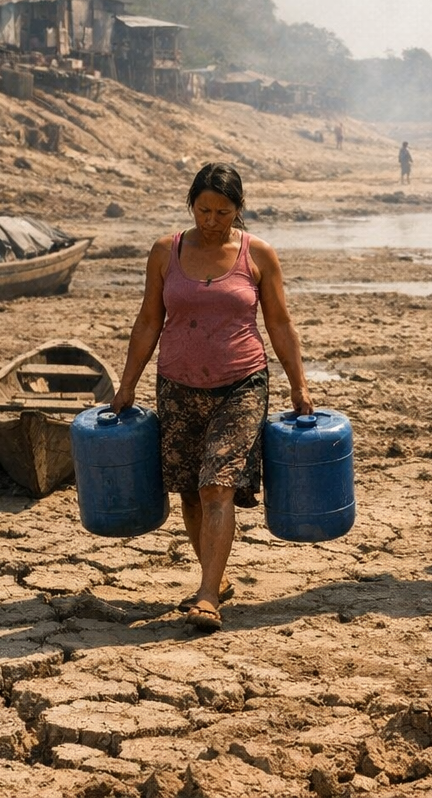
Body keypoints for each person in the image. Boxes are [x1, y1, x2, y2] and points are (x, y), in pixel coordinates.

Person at [111, 162, 313, 631]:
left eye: (223, 212)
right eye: (203, 210)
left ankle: (206, 595)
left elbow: (280, 323)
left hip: (241, 383)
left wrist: (298, 383)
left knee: (217, 484)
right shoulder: (166, 252)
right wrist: (126, 384)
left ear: (238, 211)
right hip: (177, 385)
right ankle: (215, 578)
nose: (211, 221)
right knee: (189, 490)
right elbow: (148, 322)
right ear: (191, 206)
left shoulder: (258, 255)